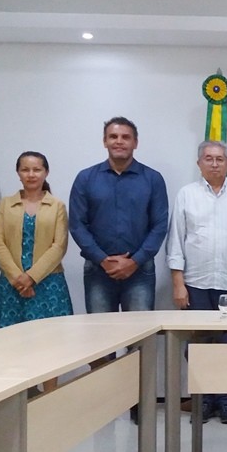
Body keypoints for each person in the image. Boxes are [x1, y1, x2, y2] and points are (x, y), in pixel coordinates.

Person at [167, 140, 227, 424]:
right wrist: (178, 284)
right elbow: (176, 242)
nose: (215, 163)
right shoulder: (186, 195)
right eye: (209, 158)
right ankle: (204, 400)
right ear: (199, 163)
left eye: (220, 159)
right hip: (196, 283)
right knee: (199, 346)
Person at [69, 116, 168, 314]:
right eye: (113, 136)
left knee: (141, 335)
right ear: (105, 141)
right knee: (102, 336)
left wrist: (134, 261)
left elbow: (159, 225)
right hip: (98, 271)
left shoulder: (152, 179)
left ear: (135, 143)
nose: (119, 141)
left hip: (140, 270)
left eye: (126, 137)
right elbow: (77, 224)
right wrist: (103, 260)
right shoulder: (86, 178)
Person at [0, 153, 74, 368]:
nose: (31, 174)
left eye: (36, 169)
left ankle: (49, 397)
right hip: (11, 285)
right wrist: (18, 277)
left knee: (50, 346)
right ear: (18, 173)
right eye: (25, 169)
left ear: (46, 172)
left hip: (48, 285)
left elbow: (59, 246)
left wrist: (31, 277)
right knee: (9, 346)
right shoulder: (6, 204)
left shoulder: (57, 206)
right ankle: (18, 397)